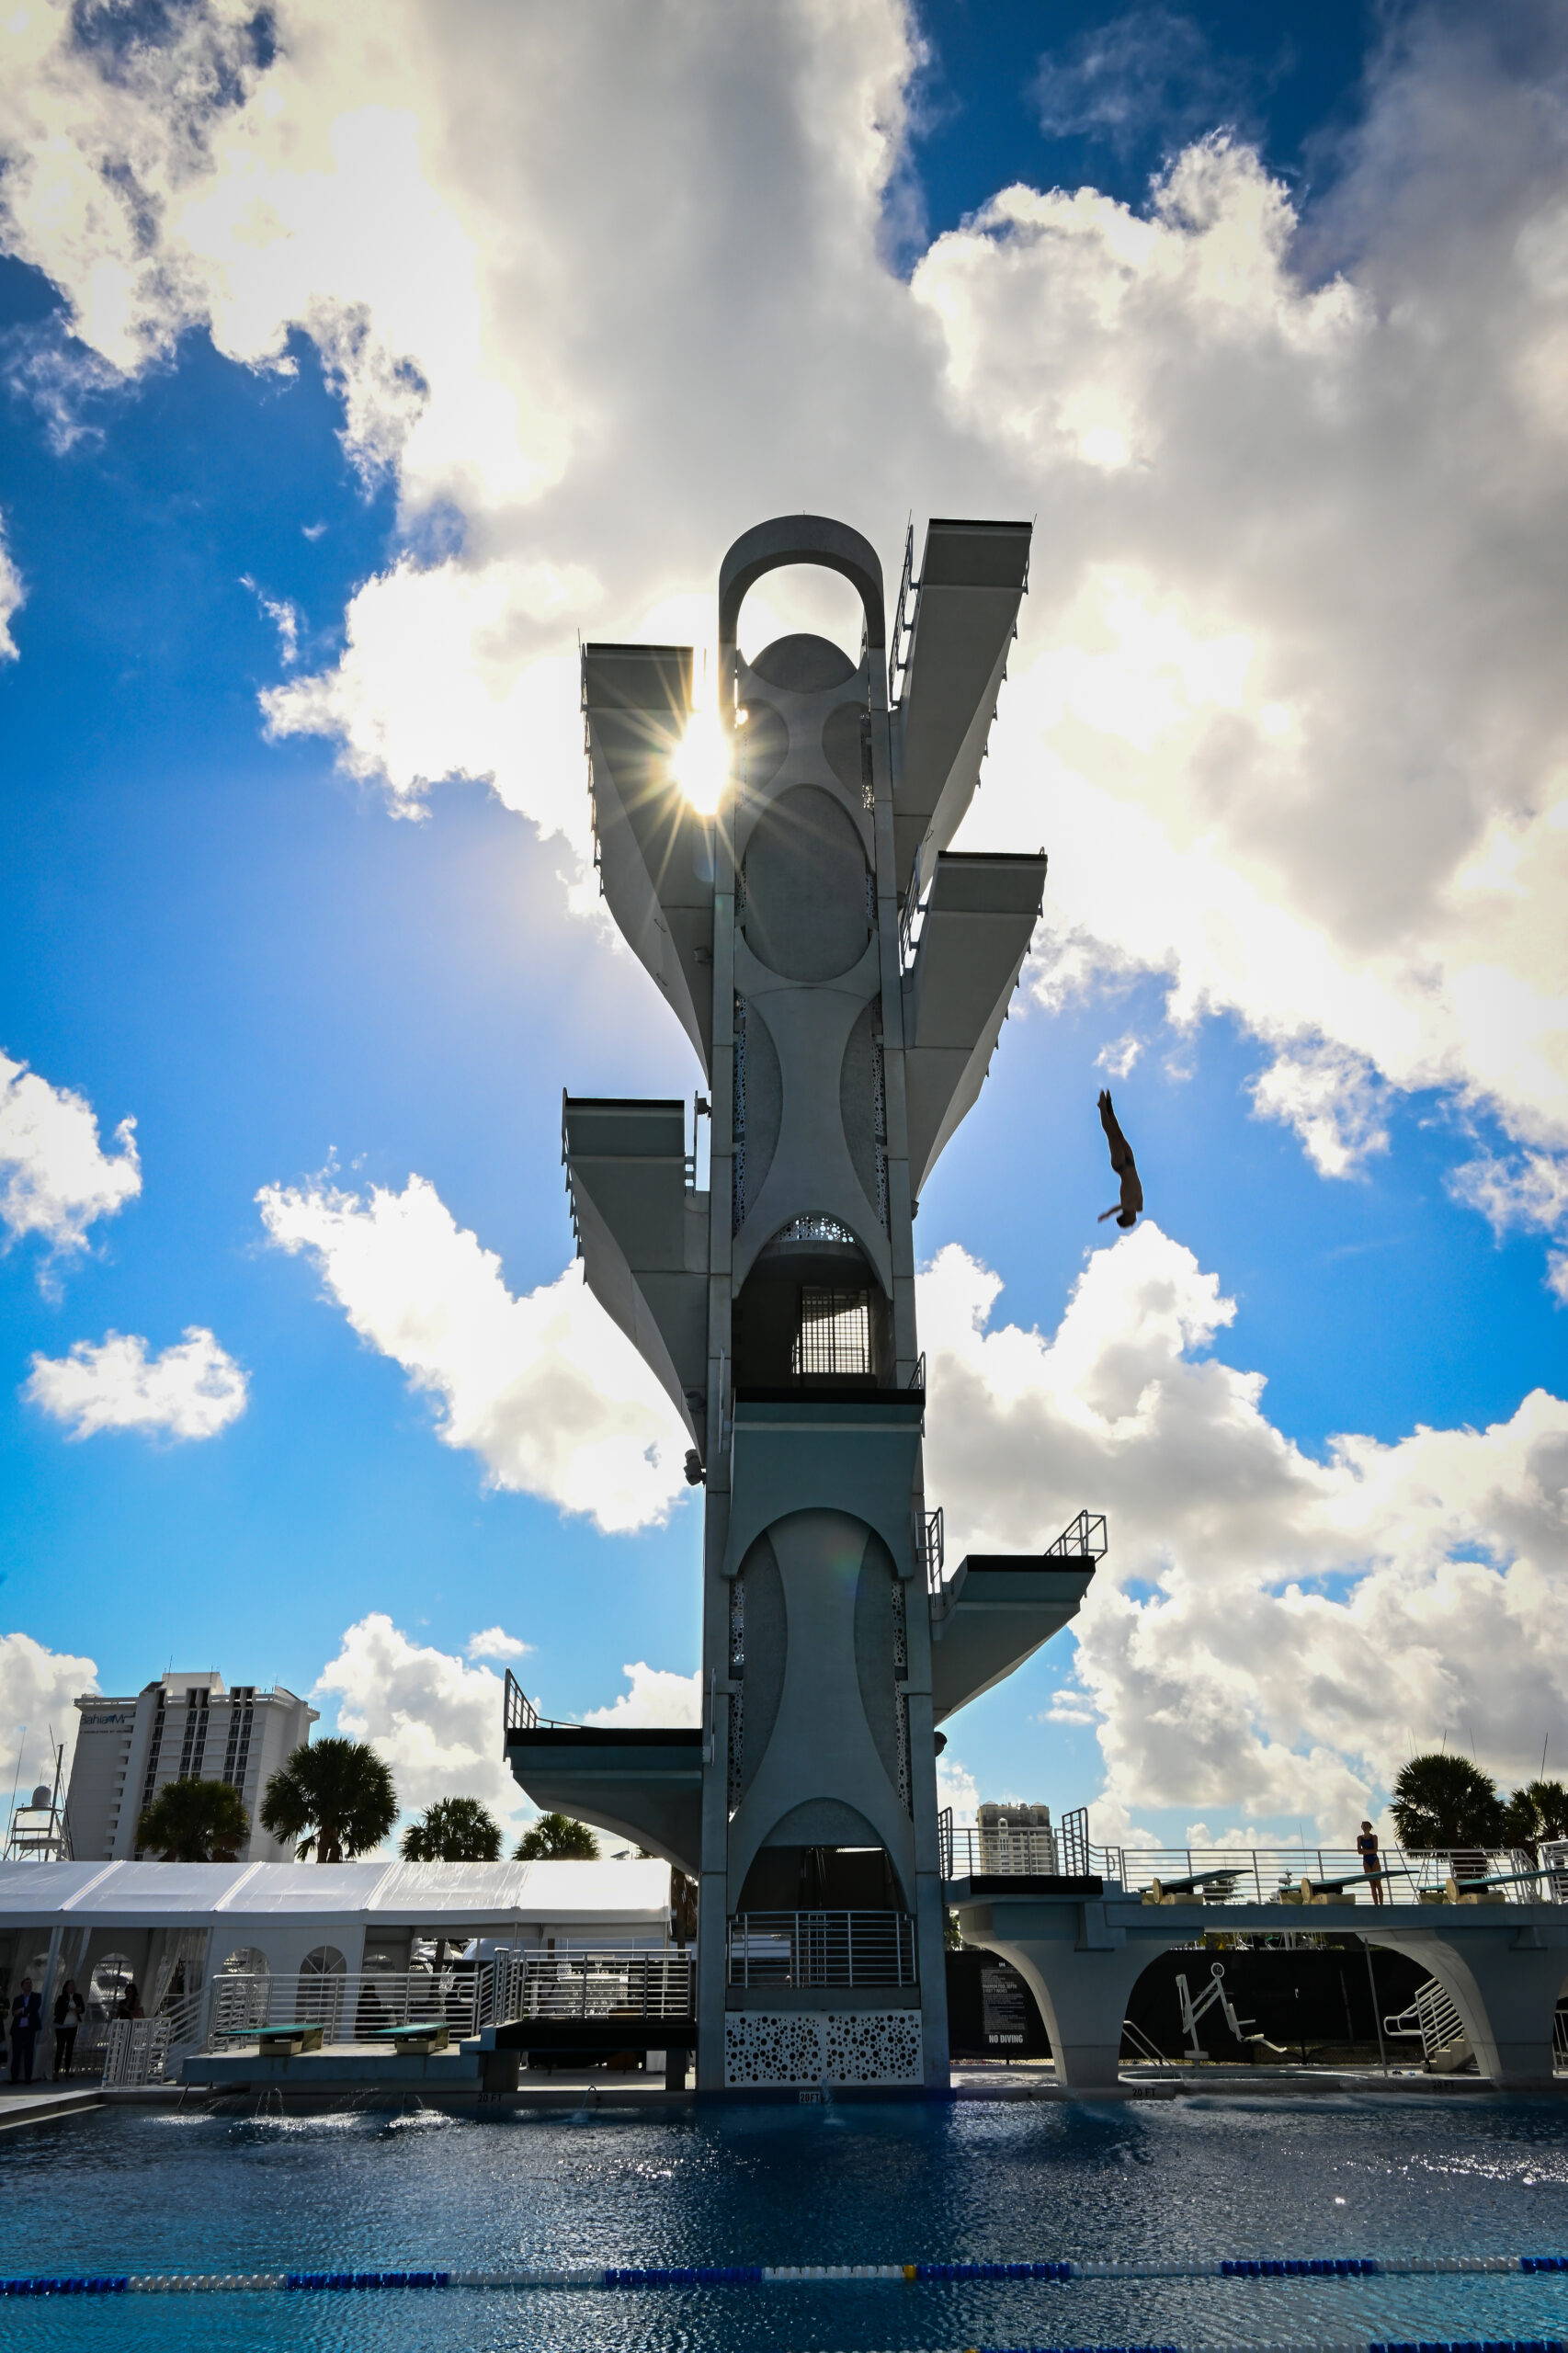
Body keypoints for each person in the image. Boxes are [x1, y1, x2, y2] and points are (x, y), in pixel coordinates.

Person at [1096, 1089, 1143, 1229]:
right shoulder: (1139, 1206)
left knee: (1112, 1136)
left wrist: (1107, 1214)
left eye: (1130, 1223)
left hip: (1121, 1165)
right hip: (1131, 1163)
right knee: (1119, 1133)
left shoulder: (1127, 1205)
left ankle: (1102, 1108)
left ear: (1126, 1217)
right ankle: (1109, 1107)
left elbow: (1118, 1208)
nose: (1133, 1223)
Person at [9, 1976, 41, 2083]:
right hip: (18, 2030)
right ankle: (14, 2078)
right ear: (22, 1986)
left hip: (29, 2029)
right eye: (27, 1983)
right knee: (16, 2054)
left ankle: (28, 2078)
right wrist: (25, 2012)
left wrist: (22, 2010)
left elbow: (33, 2008)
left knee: (29, 2054)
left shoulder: (36, 1996)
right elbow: (14, 2012)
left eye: (30, 1983)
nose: (29, 1985)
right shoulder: (17, 1999)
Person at [53, 1979, 85, 2076]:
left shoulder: (78, 1997)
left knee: (70, 2048)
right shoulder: (61, 1998)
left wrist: (78, 2009)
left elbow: (82, 2008)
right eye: (70, 1985)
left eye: (73, 1985)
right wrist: (66, 2009)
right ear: (66, 1987)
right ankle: (56, 2071)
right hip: (61, 2026)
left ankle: (67, 2070)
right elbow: (57, 2011)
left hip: (73, 2025)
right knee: (60, 2048)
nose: (72, 1987)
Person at [1357, 1819, 1385, 1906]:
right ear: (1361, 1828)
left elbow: (1375, 1850)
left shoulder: (1374, 1837)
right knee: (1372, 1885)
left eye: (1366, 1826)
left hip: (1374, 1860)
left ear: (1370, 1827)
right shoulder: (1359, 1838)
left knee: (1378, 1884)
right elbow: (1359, 1851)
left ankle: (1381, 1904)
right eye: (1363, 1826)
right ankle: (1376, 1904)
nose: (1365, 1828)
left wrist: (1366, 1851)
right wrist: (1368, 1851)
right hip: (1366, 1861)